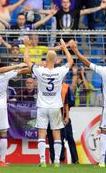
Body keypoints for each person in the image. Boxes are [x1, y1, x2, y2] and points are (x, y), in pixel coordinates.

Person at [23, 37, 73, 168]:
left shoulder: (40, 71)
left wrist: (27, 46)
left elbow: (26, 61)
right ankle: (56, 161)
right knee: (56, 133)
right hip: (55, 107)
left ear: (46, 59)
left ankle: (43, 161)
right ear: (56, 60)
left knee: (41, 133)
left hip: (42, 106)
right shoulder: (59, 71)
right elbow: (71, 62)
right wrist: (64, 48)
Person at [0, 51, 26, 167]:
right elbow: (22, 71)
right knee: (3, 133)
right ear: (0, 61)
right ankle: (2, 161)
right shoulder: (6, 74)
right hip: (1, 107)